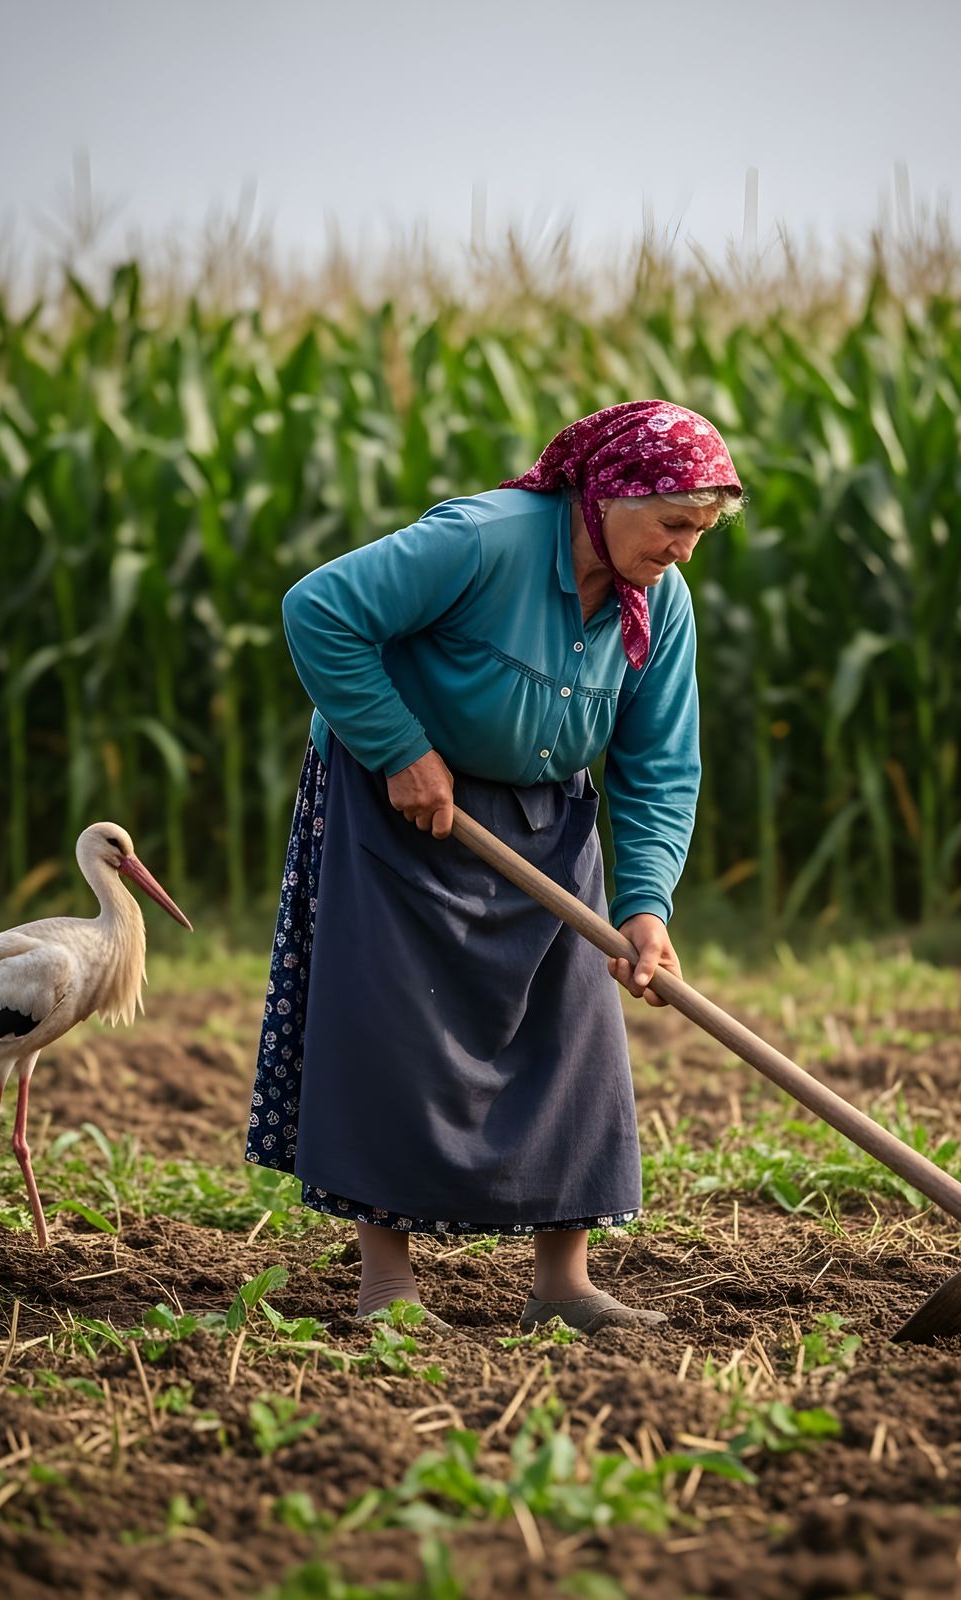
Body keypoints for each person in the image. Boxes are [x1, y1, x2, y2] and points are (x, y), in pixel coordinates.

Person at [244, 400, 744, 1334]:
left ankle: (563, 1285)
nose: (683, 550)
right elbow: (318, 610)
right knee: (393, 1033)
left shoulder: (658, 604)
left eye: (701, 532)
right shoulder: (485, 539)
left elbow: (659, 763)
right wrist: (397, 748)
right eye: (673, 524)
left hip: (550, 819)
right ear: (608, 494)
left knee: (572, 1036)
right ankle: (387, 1288)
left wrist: (645, 906)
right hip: (398, 809)